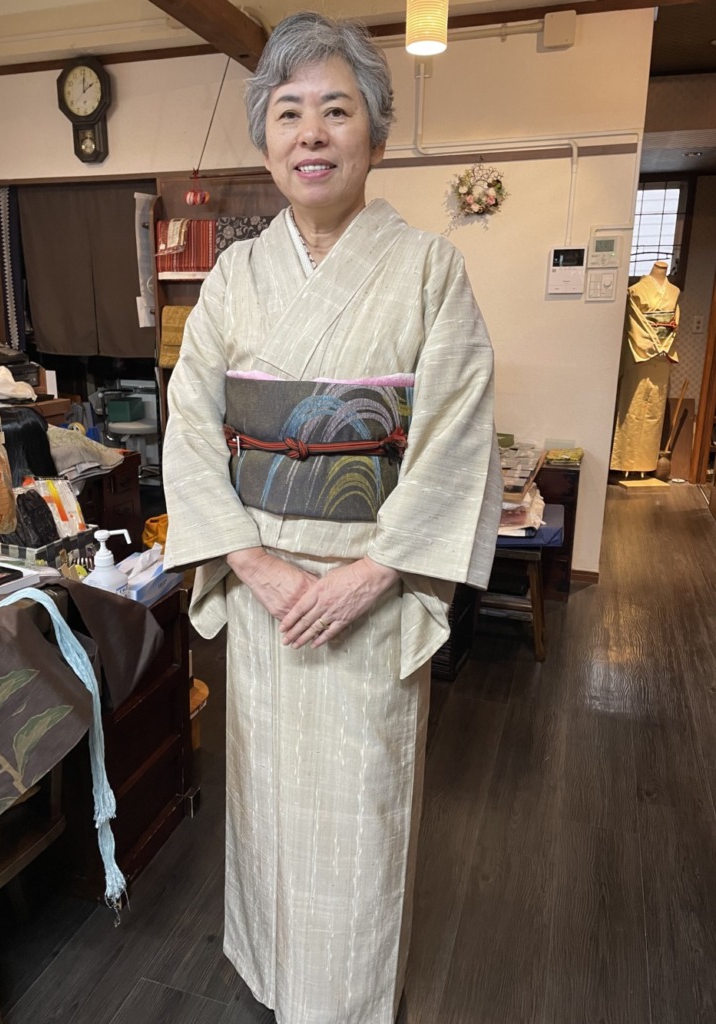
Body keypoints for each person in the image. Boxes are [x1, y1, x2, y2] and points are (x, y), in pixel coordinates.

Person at [162, 13, 502, 1023]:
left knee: (362, 817)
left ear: (377, 136)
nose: (311, 133)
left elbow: (456, 437)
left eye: (337, 111)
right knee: (267, 804)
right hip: (264, 591)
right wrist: (254, 565)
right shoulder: (235, 276)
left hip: (371, 593)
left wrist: (373, 573)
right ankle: (275, 979)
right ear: (267, 139)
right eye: (289, 113)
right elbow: (191, 426)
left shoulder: (430, 269)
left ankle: (347, 1002)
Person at [610, 260, 680, 473]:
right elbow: (635, 323)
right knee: (632, 406)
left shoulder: (674, 292)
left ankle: (646, 464)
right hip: (639, 352)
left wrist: (664, 345)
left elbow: (673, 323)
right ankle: (623, 463)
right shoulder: (636, 290)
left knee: (654, 411)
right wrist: (655, 344)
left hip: (662, 356)